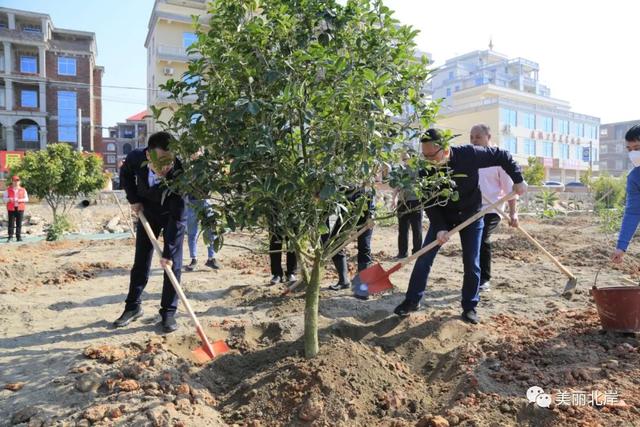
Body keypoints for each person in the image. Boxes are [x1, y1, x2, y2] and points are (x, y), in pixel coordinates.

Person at [394, 129, 526, 324]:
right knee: (424, 258)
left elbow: (503, 156)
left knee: (471, 262)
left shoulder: (469, 154)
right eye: (425, 155)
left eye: (432, 155)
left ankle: (470, 306)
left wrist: (518, 179)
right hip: (443, 216)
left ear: (445, 149)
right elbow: (428, 201)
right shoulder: (426, 169)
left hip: (471, 215)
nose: (428, 159)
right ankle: (412, 300)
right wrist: (439, 226)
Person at [115, 131, 186, 333]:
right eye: (160, 161)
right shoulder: (135, 158)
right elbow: (126, 175)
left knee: (172, 264)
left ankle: (168, 312)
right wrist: (133, 199)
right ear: (148, 155)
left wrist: (169, 253)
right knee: (141, 261)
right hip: (147, 212)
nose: (165, 166)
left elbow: (179, 216)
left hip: (172, 214)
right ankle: (133, 307)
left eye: (169, 161)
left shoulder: (180, 172)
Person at [469, 124, 519, 291]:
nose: (474, 140)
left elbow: (511, 189)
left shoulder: (499, 160)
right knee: (471, 243)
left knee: (482, 239)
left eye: (478, 137)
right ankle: (472, 277)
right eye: (472, 137)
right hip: (473, 209)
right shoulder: (469, 158)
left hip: (493, 209)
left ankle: (484, 279)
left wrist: (513, 214)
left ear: (488, 138)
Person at [326, 187, 375, 290]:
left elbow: (371, 191)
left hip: (365, 214)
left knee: (364, 247)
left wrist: (372, 215)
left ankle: (363, 286)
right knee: (336, 243)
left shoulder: (365, 178)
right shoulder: (342, 182)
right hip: (347, 213)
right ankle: (343, 281)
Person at [611, 124, 640, 265]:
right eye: (630, 149)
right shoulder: (635, 177)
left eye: (637, 148)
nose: (633, 153)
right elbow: (633, 213)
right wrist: (621, 247)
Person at [392, 150, 423, 259]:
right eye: (403, 158)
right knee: (402, 229)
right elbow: (397, 186)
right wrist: (394, 199)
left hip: (415, 201)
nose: (405, 160)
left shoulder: (419, 169)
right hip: (402, 202)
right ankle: (402, 253)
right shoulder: (401, 170)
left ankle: (417, 252)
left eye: (406, 158)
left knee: (417, 228)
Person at [184, 196, 221, 271]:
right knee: (192, 233)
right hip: (191, 203)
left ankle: (211, 258)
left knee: (211, 231)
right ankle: (194, 259)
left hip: (205, 202)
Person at [3, 175, 29, 242]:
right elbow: (4, 199)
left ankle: (18, 237)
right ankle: (10, 237)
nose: (16, 182)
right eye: (14, 181)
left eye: (17, 180)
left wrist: (19, 200)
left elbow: (26, 199)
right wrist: (9, 199)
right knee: (11, 223)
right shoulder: (8, 190)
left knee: (19, 223)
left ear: (19, 182)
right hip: (11, 208)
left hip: (20, 208)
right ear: (12, 181)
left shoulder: (23, 190)